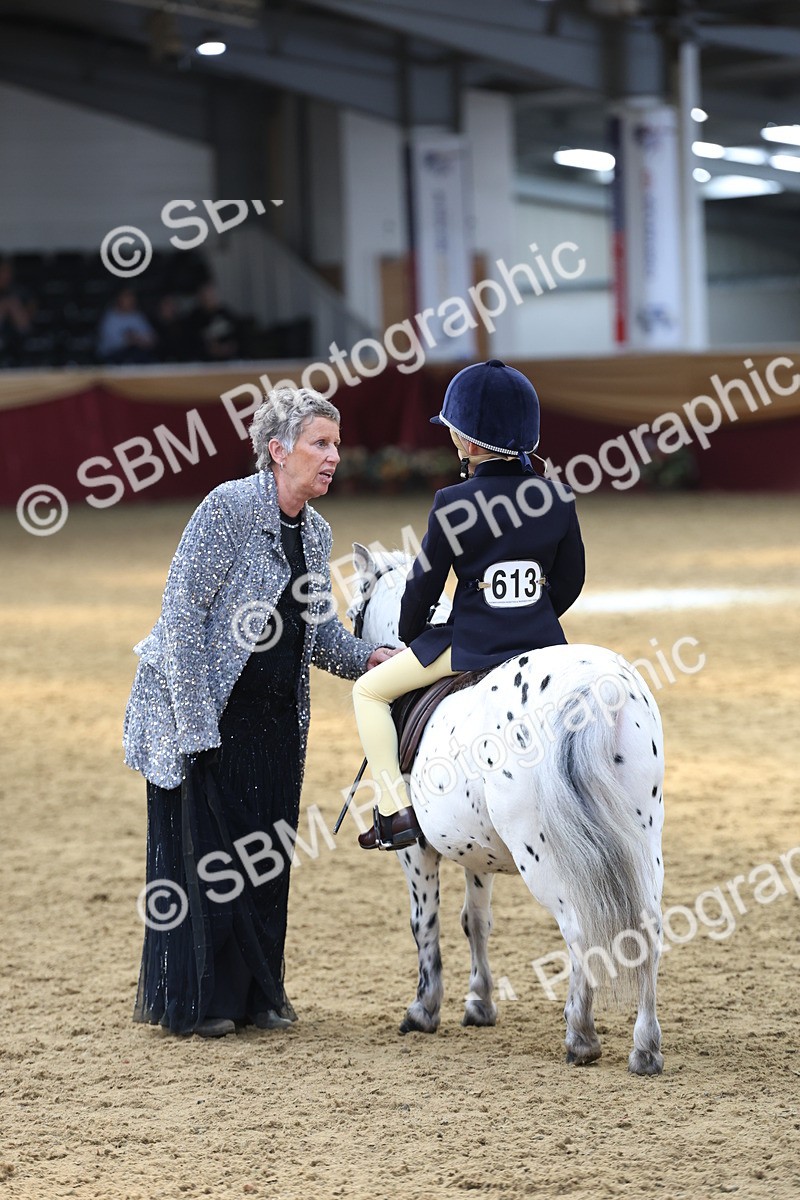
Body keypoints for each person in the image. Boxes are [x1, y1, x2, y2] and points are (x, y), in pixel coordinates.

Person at [124, 388, 396, 1037]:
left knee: (267, 854)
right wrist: (196, 728)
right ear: (277, 451)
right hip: (209, 711)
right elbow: (183, 620)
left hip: (274, 719)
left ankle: (259, 995)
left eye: (335, 444)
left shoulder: (318, 530)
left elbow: (319, 635)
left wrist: (369, 657)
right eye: (319, 444)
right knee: (212, 860)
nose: (334, 456)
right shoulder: (227, 509)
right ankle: (209, 1002)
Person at [352, 359, 586, 851]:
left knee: (369, 694)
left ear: (471, 443)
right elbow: (569, 582)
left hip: (472, 645)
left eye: (455, 432)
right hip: (543, 642)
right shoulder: (558, 496)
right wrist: (529, 616)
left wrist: (413, 639)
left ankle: (396, 811)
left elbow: (422, 588)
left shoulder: (453, 502)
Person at [96, 287, 157, 364]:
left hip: (136, 355)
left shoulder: (137, 316)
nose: (130, 300)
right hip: (113, 356)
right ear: (119, 299)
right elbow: (111, 344)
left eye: (131, 297)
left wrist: (136, 339)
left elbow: (151, 339)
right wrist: (132, 339)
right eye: (126, 297)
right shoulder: (110, 318)